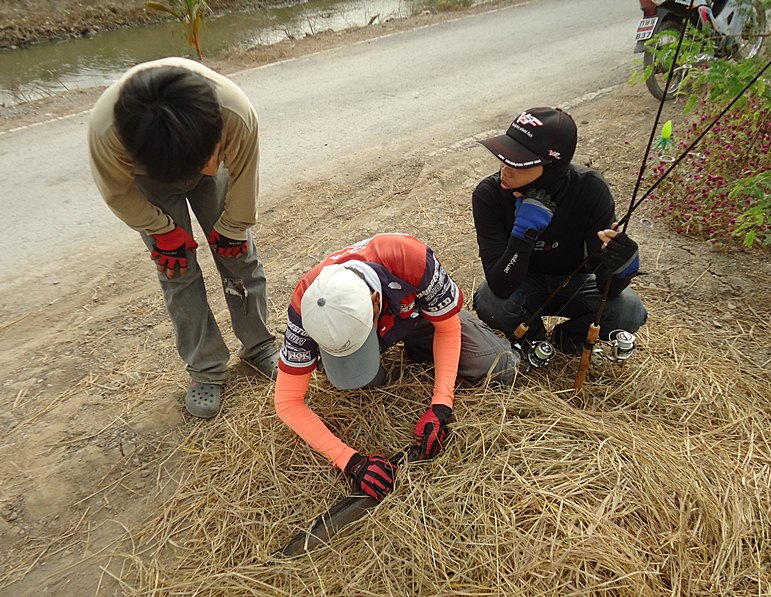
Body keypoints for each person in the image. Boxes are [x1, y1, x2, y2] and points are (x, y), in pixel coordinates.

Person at [88, 57, 280, 419]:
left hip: (204, 144)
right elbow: (117, 193)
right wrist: (163, 231)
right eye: (199, 164)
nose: (206, 170)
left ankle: (258, 344)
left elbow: (243, 173)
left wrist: (234, 226)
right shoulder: (107, 134)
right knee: (176, 272)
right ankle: (206, 367)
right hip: (151, 182)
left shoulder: (233, 111)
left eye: (210, 157)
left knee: (238, 257)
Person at [274, 233, 518, 500]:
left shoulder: (409, 259)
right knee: (360, 380)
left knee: (500, 365)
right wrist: (350, 462)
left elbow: (447, 328)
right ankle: (377, 357)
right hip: (376, 327)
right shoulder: (306, 305)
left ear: (375, 303)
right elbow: (287, 402)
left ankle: (419, 345)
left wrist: (441, 405)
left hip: (417, 317)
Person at [471, 107, 647, 355]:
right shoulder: (489, 194)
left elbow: (608, 286)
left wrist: (622, 269)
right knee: (489, 301)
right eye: (505, 157)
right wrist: (523, 235)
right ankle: (533, 338)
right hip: (522, 283)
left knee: (629, 309)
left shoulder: (590, 190)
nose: (505, 169)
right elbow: (500, 286)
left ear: (552, 167)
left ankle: (570, 340)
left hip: (576, 282)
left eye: (519, 162)